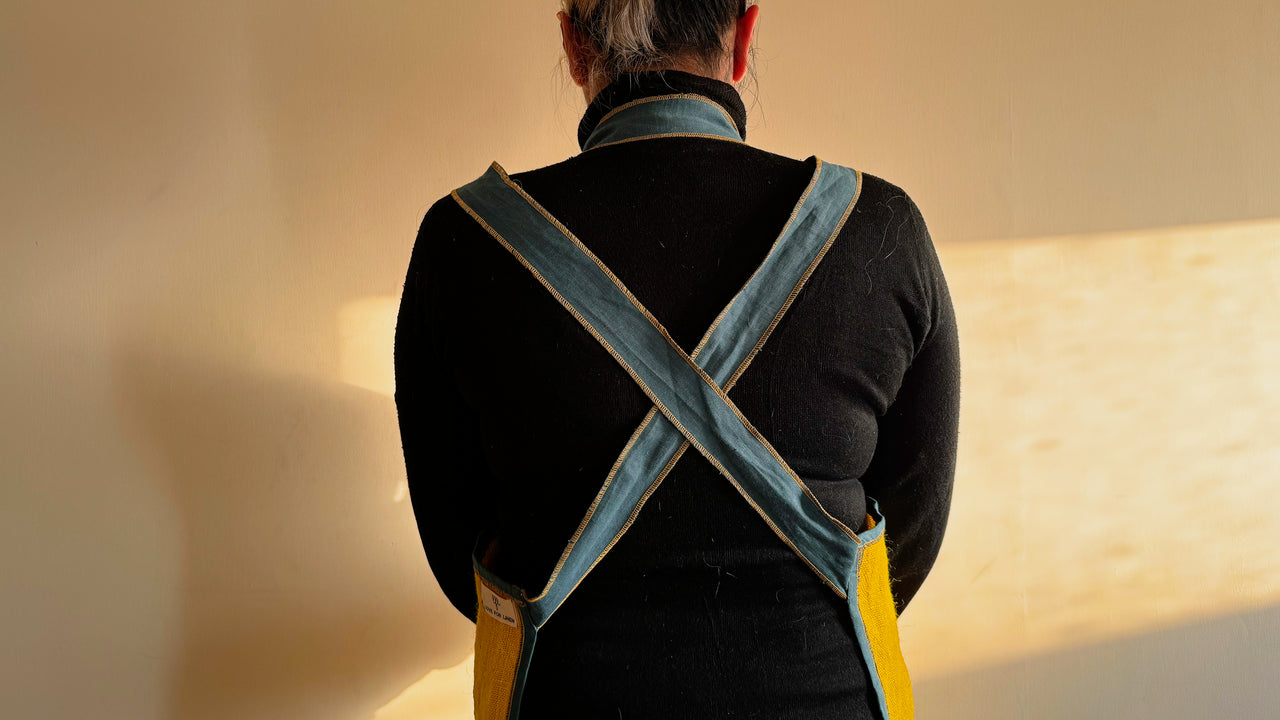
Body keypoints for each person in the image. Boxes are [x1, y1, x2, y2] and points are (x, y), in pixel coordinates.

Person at [393, 1, 961, 718]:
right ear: (744, 35)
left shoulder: (463, 244)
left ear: (573, 44)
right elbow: (910, 532)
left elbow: (462, 555)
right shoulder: (880, 228)